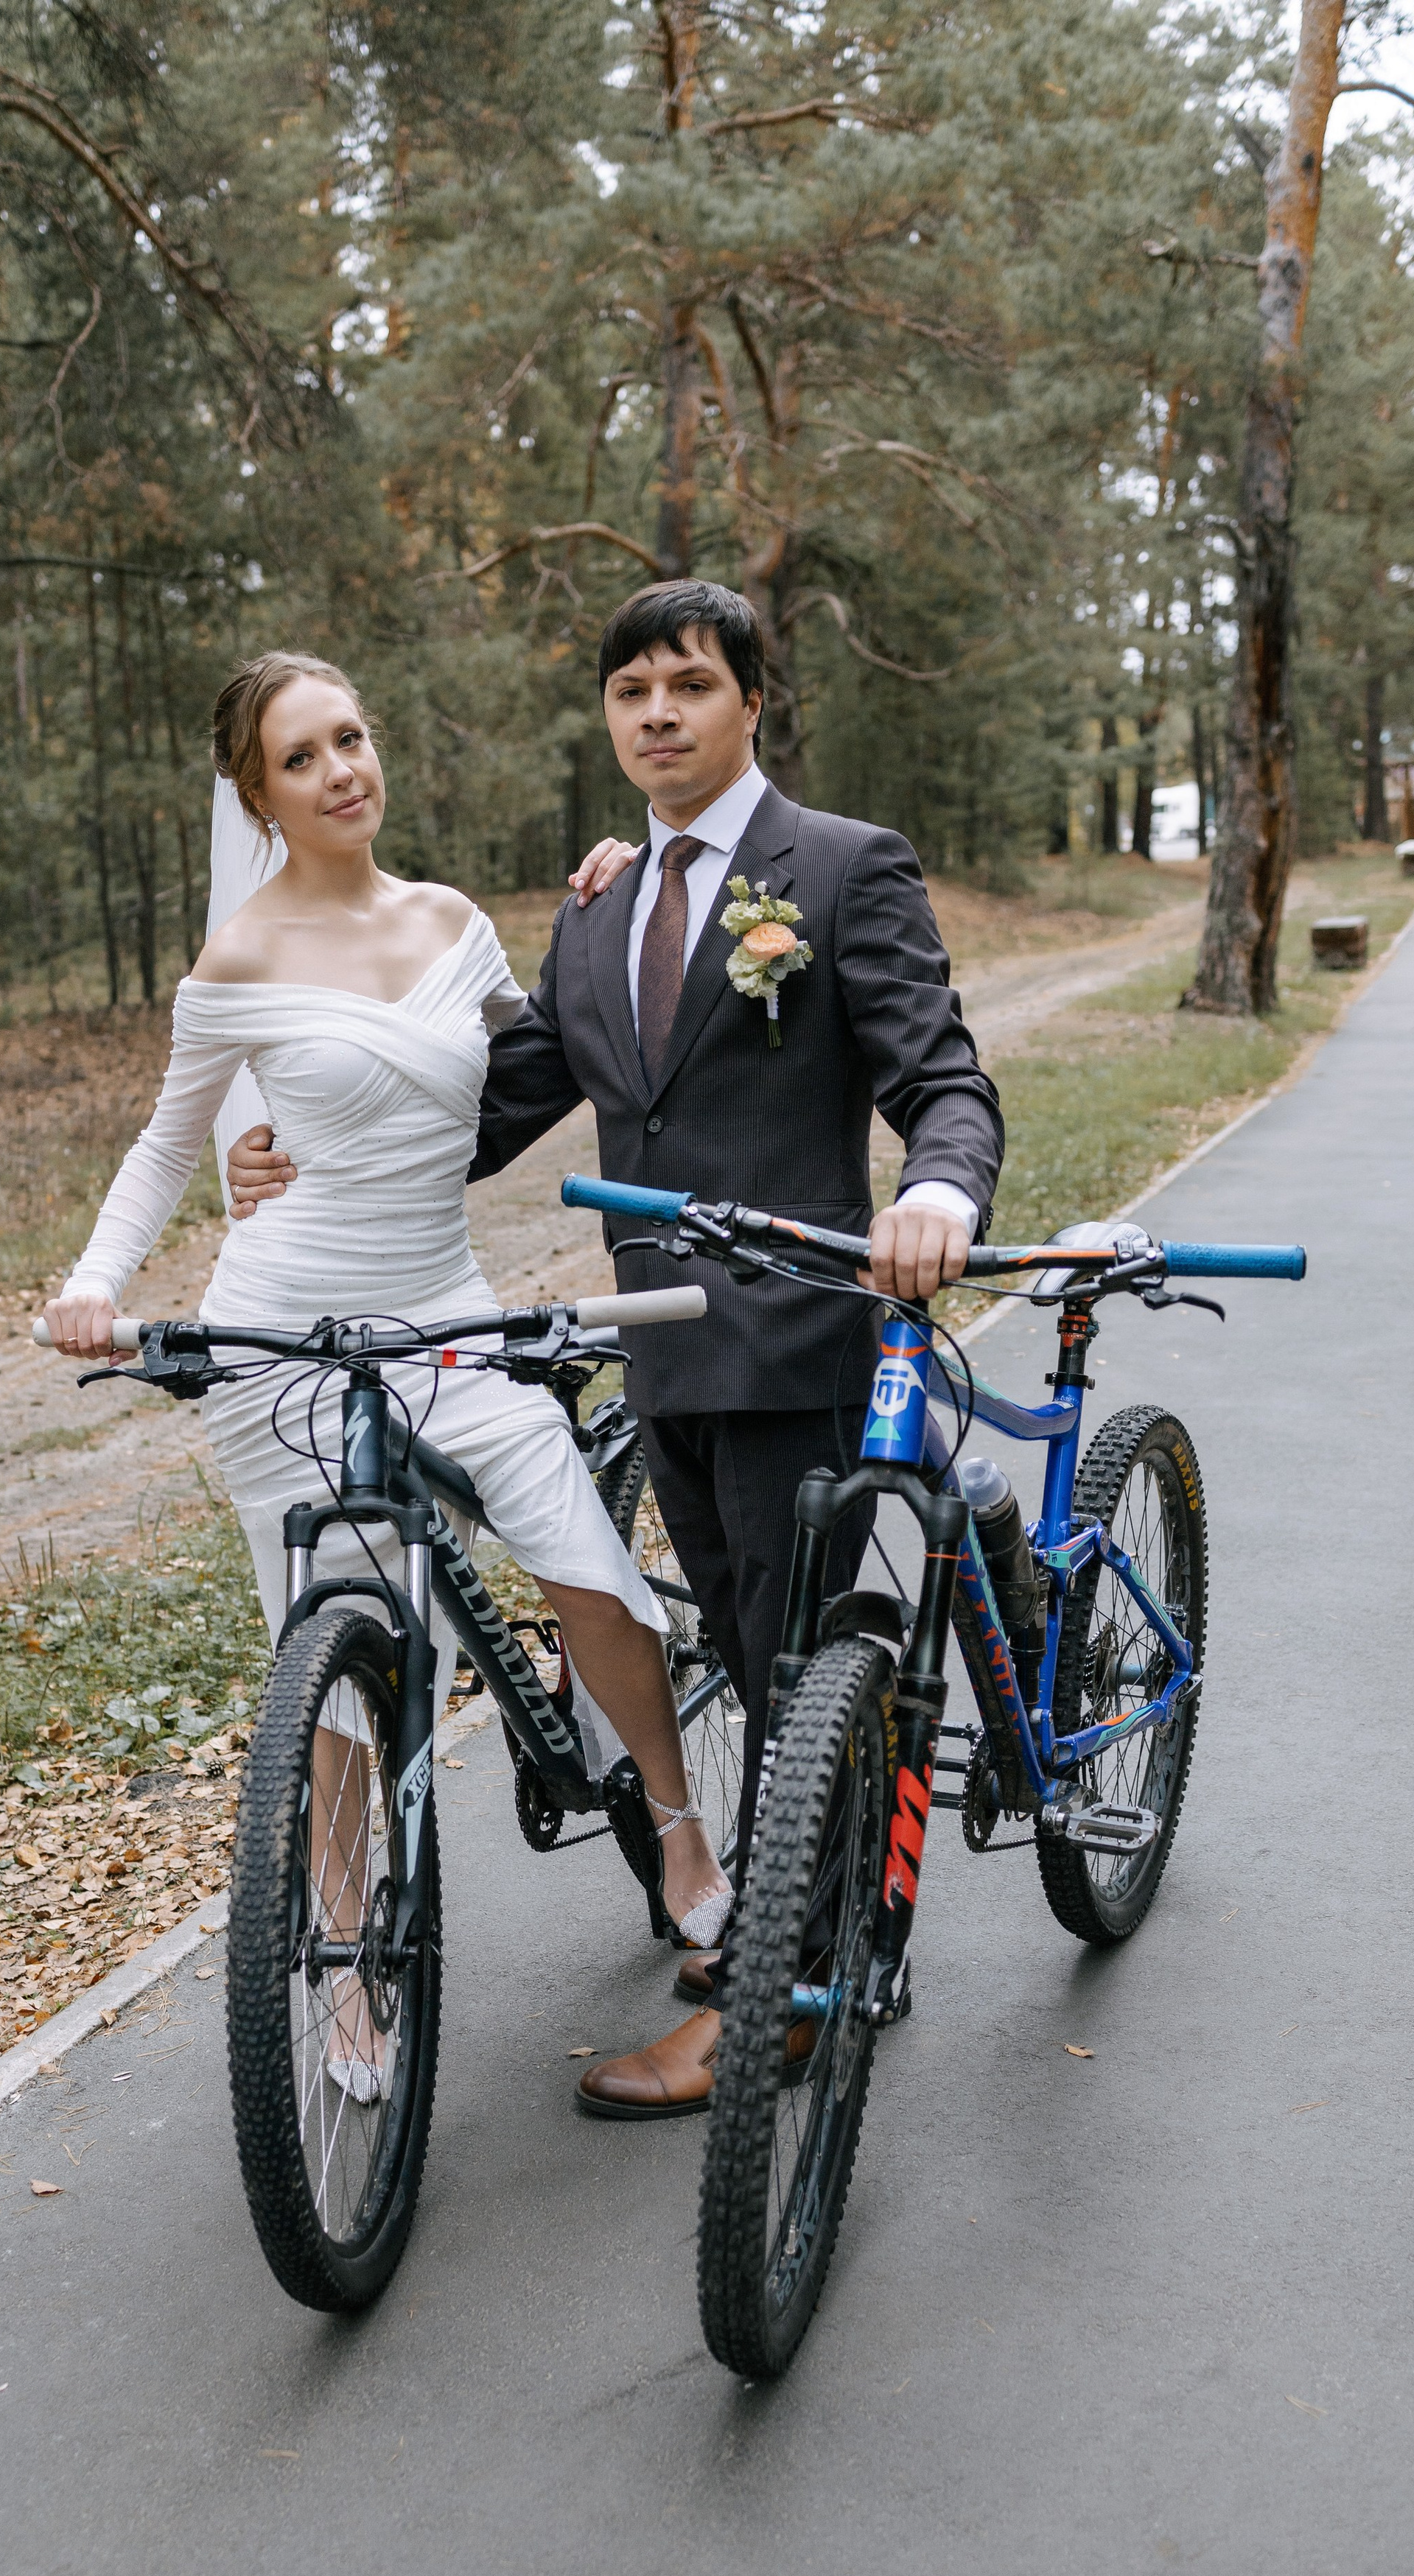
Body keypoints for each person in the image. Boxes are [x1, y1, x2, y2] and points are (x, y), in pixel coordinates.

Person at [226, 582, 1003, 2117]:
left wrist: (932, 1190)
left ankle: (783, 2002)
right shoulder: (594, 909)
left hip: (793, 1352)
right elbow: (488, 1100)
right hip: (659, 1364)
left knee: (795, 1683)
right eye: (631, 689)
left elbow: (944, 1077)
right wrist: (309, 1163)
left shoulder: (841, 869)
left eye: (689, 685)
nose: (657, 711)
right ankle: (831, 1930)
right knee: (737, 1645)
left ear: (747, 704)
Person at [41, 650, 732, 2099]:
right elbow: (172, 1144)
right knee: (342, 1671)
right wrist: (98, 1284)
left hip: (441, 1310)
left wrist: (607, 911)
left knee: (583, 1571)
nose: (340, 769)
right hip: (285, 1335)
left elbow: (545, 1054)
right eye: (301, 758)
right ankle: (348, 1961)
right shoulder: (232, 966)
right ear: (259, 795)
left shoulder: (453, 925)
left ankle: (674, 1828)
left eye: (350, 736)